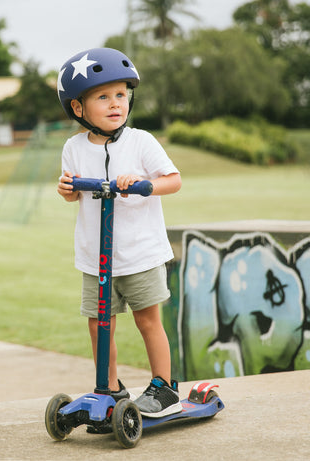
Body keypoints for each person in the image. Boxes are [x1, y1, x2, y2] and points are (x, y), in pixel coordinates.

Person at [56, 47, 182, 423]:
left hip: (139, 253)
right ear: (79, 109)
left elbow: (172, 181)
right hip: (96, 257)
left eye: (121, 95)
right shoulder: (73, 147)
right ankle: (109, 388)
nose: (115, 104)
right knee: (99, 323)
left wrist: (143, 184)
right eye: (103, 96)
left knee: (147, 320)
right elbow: (71, 189)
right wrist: (67, 190)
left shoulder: (141, 142)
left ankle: (165, 387)